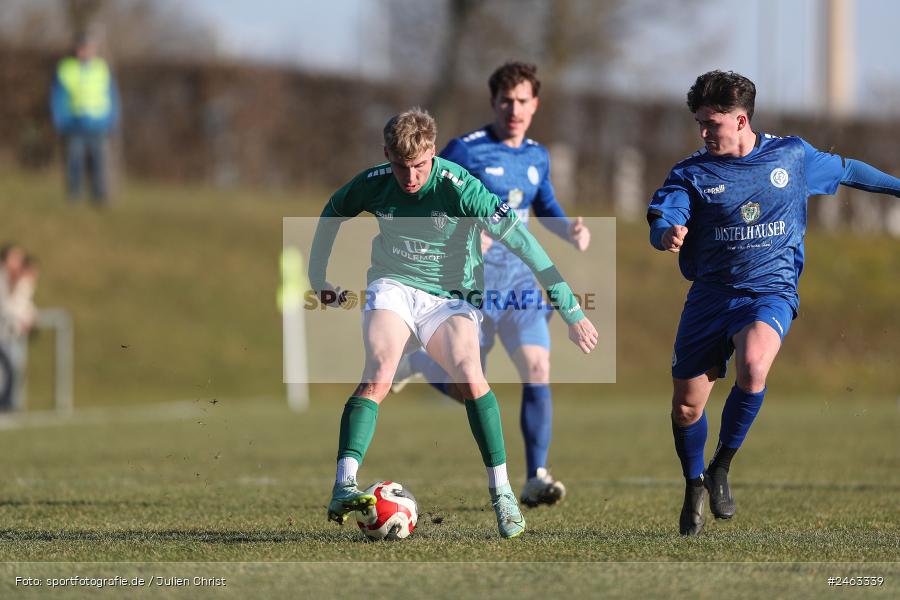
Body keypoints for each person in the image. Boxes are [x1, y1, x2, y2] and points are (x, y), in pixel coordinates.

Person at [309, 108, 598, 539]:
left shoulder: (463, 189)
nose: (410, 177)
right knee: (379, 370)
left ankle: (501, 494)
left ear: (432, 153)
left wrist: (570, 309)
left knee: (469, 374)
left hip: (452, 298)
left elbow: (527, 245)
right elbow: (333, 211)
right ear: (387, 154)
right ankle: (343, 484)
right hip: (394, 286)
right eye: (401, 166)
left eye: (420, 165)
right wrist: (318, 279)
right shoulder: (374, 182)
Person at [647, 70, 900, 536]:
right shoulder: (692, 172)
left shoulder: (791, 156)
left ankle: (721, 465)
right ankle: (693, 482)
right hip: (710, 297)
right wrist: (666, 231)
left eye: (712, 124)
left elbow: (846, 169)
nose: (704, 133)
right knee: (686, 408)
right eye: (699, 123)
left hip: (769, 291)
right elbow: (666, 210)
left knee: (755, 365)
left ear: (742, 121)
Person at [391, 62, 590, 509]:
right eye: (506, 101)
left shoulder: (538, 156)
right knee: (468, 388)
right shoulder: (466, 150)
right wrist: (463, 232)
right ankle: (425, 367)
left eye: (522, 101)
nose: (514, 109)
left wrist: (568, 229)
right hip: (472, 286)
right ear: (493, 103)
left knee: (538, 369)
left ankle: (536, 476)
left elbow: (546, 205)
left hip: (520, 285)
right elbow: (429, 200)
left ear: (535, 104)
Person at [50, 34, 119, 204]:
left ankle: (100, 197)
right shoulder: (66, 68)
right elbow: (58, 98)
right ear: (77, 49)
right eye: (83, 48)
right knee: (75, 163)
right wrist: (60, 120)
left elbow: (112, 96)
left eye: (89, 48)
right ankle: (74, 197)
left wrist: (112, 119)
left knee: (100, 164)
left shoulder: (102, 68)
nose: (86, 51)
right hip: (74, 123)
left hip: (99, 124)